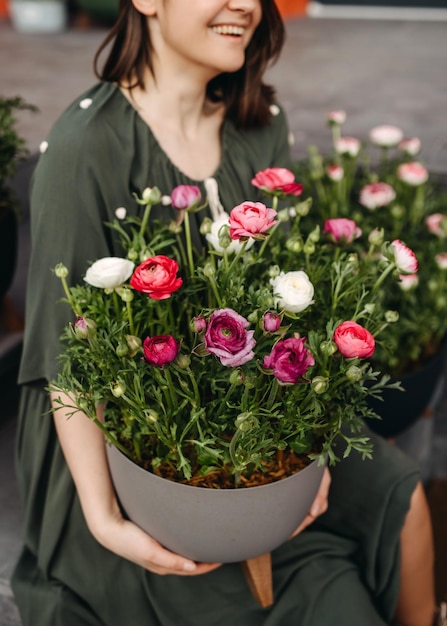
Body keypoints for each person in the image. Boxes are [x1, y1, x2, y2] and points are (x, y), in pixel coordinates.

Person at [11, 1, 436, 624]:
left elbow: (285, 316)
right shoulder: (87, 145)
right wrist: (105, 521)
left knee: (402, 494)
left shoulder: (259, 124)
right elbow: (64, 362)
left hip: (259, 413)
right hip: (122, 446)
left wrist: (308, 460)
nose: (246, 4)